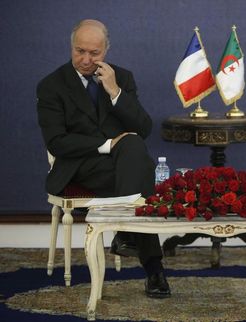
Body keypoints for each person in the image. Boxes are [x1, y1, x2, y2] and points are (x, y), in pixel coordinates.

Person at [37, 19, 170, 298]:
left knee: (133, 145)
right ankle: (153, 268)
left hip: (120, 165)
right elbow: (57, 142)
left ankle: (126, 235)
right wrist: (107, 144)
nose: (86, 59)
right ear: (72, 47)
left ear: (106, 50)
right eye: (79, 51)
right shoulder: (51, 85)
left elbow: (144, 129)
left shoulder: (121, 77)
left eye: (93, 53)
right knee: (141, 175)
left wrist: (115, 92)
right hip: (80, 165)